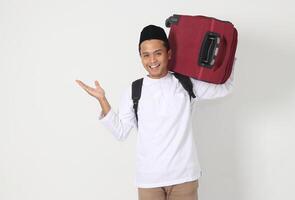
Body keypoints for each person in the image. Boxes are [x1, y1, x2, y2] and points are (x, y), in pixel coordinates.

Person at [76, 25, 234, 200]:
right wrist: (102, 100)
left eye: (158, 53)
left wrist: (229, 50)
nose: (152, 60)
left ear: (169, 54)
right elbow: (120, 132)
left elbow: (224, 88)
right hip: (149, 181)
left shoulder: (185, 82)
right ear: (141, 57)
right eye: (146, 55)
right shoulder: (134, 89)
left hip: (184, 177)